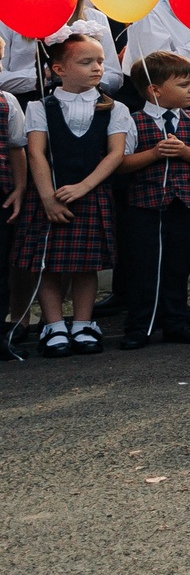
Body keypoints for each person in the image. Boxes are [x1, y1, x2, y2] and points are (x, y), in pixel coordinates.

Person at [14, 33, 129, 356]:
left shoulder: (113, 107)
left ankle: (82, 323)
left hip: (90, 193)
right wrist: (48, 197)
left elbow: (114, 154)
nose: (97, 68)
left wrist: (84, 186)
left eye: (100, 62)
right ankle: (53, 326)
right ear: (59, 69)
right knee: (49, 263)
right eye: (86, 62)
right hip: (49, 195)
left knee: (85, 265)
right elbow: (36, 154)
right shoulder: (40, 107)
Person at [115, 49, 190, 349]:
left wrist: (185, 152)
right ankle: (140, 325)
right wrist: (154, 153)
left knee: (178, 264)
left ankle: (176, 322)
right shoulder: (133, 121)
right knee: (144, 265)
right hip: (144, 205)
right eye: (183, 85)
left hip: (184, 203)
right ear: (154, 90)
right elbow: (120, 162)